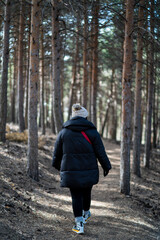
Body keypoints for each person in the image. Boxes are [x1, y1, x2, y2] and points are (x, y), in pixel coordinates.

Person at [52, 104, 111, 234]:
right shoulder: (92, 132)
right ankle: (86, 213)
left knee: (76, 196)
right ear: (85, 117)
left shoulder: (63, 132)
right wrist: (106, 166)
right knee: (86, 192)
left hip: (71, 170)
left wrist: (57, 166)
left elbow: (57, 153)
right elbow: (100, 152)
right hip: (89, 169)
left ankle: (79, 225)